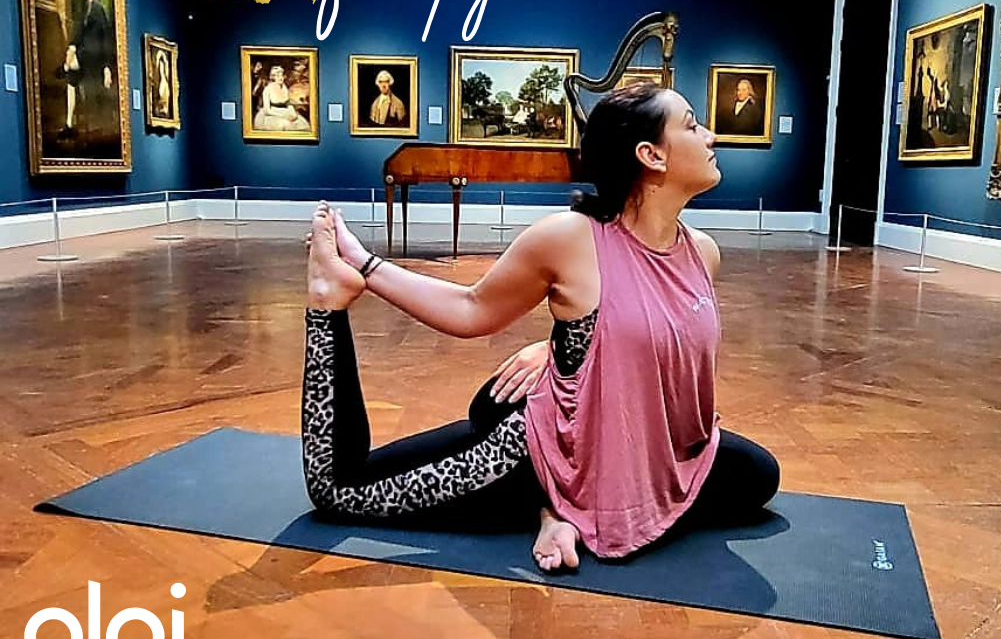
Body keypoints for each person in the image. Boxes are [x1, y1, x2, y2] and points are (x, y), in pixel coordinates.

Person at [300, 82, 780, 572]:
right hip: (554, 446)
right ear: (650, 155)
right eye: (693, 126)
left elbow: (652, 334)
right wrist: (366, 266)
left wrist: (559, 349)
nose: (711, 136)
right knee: (338, 491)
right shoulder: (570, 238)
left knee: (758, 475)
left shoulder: (702, 253)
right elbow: (470, 309)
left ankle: (566, 511)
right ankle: (327, 297)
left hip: (656, 453)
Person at [56, 0, 116, 140]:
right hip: (85, 52)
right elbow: (78, 32)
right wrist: (72, 47)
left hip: (93, 55)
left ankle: (64, 68)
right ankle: (69, 123)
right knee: (71, 82)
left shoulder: (98, 8)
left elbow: (105, 39)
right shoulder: (86, 7)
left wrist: (107, 67)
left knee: (71, 69)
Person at [253, 64, 310, 132]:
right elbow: (267, 110)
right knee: (285, 124)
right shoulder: (268, 89)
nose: (280, 78)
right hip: (272, 114)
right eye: (277, 76)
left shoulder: (284, 87)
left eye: (281, 75)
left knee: (303, 125)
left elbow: (288, 103)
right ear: (273, 77)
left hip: (285, 111)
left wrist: (293, 114)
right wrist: (283, 116)